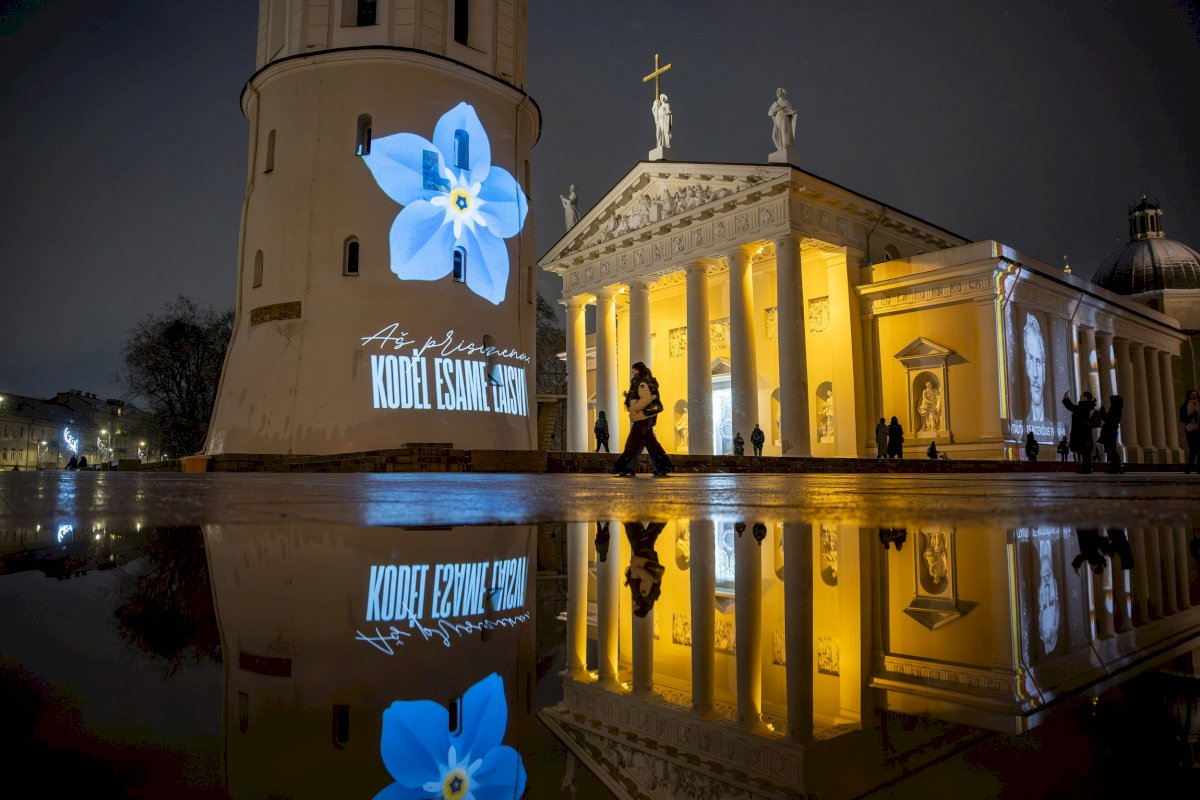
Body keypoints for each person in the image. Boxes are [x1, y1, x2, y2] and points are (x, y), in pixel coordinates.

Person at [611, 362, 672, 476]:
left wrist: (635, 407)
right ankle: (662, 466)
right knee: (649, 444)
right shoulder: (642, 382)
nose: (632, 371)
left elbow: (646, 398)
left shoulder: (641, 382)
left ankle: (625, 467)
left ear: (637, 370)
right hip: (644, 419)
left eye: (633, 369)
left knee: (633, 444)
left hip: (642, 418)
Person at [1062, 391, 1096, 474]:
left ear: (1085, 398)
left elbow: (1072, 407)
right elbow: (1073, 408)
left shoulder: (1084, 406)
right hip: (1083, 432)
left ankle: (1086, 469)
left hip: (1082, 432)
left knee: (1085, 452)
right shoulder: (1086, 406)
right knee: (1085, 452)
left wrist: (1066, 399)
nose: (1080, 397)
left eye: (1081, 396)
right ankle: (1085, 468)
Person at [1024, 314, 1047, 421]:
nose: (1035, 374)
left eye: (1038, 362)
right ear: (1027, 368)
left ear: (1044, 369)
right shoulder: (1019, 434)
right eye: (1030, 359)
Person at [1097, 395, 1124, 474]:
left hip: (1109, 431)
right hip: (1111, 431)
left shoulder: (1114, 409)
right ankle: (1115, 466)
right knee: (1111, 449)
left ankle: (1116, 466)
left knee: (1111, 449)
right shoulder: (1117, 409)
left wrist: (1102, 409)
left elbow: (1107, 418)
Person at [768, 87, 797, 151]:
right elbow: (769, 113)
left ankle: (785, 147)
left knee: (784, 132)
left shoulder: (786, 102)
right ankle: (780, 149)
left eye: (779, 90)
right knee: (774, 136)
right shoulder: (775, 103)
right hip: (777, 120)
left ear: (783, 93)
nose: (777, 92)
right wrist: (775, 110)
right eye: (777, 91)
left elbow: (789, 110)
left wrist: (792, 112)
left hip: (784, 118)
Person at [1181, 388, 1200, 473]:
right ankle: (1189, 467)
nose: (1194, 396)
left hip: (1199, 428)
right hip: (1190, 429)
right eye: (1192, 394)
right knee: (1193, 449)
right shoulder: (1184, 406)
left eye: (1195, 394)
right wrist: (1192, 414)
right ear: (1189, 395)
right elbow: (1182, 418)